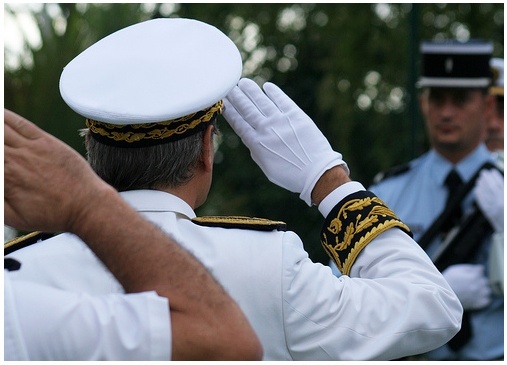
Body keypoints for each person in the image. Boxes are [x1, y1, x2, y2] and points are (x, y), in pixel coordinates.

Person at [5, 18, 462, 360]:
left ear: (90, 150)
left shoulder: (17, 272)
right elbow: (433, 305)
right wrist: (329, 180)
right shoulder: (268, 264)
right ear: (207, 150)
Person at [4, 109, 262, 360]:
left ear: (88, 145)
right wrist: (83, 204)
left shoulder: (15, 274)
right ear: (207, 148)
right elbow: (227, 341)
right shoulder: (274, 257)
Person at [370, 39, 503, 360]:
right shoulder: (387, 194)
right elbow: (345, 290)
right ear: (423, 103)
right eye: (437, 98)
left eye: (460, 99)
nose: (446, 112)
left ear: (486, 107)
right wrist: (429, 293)